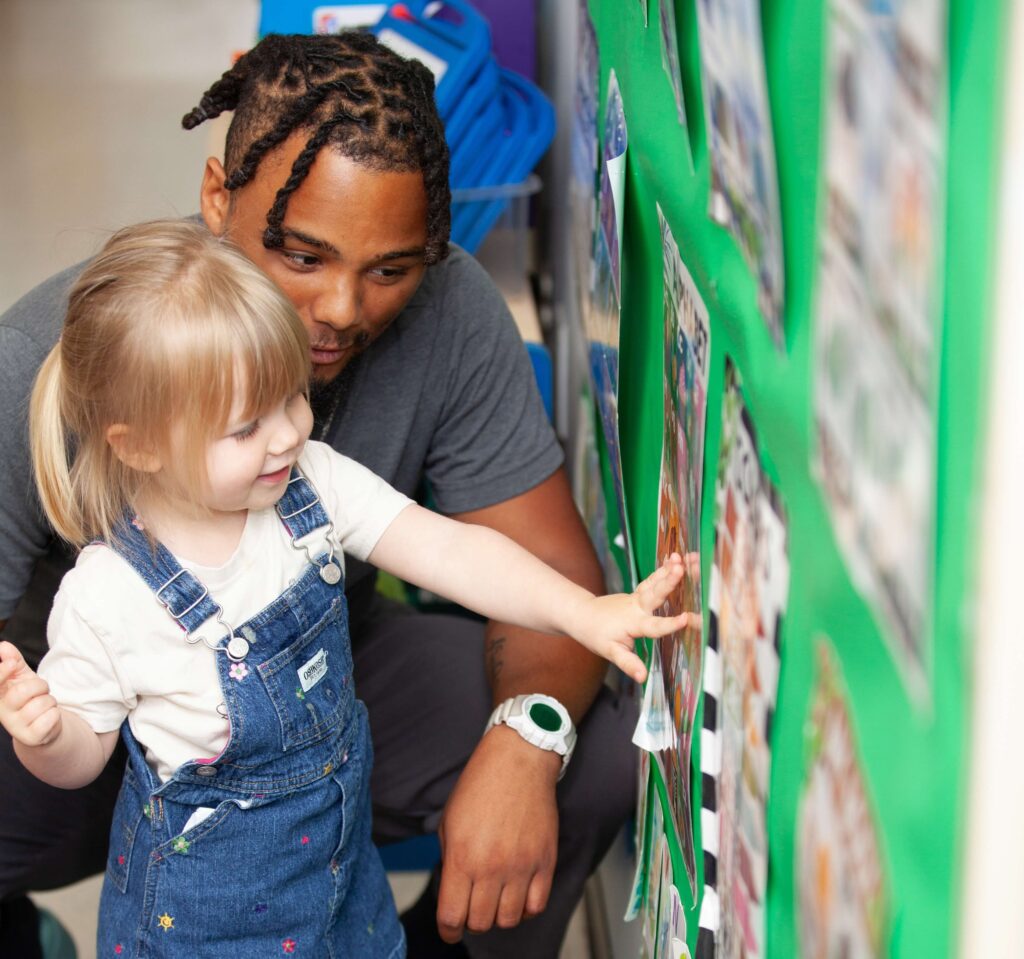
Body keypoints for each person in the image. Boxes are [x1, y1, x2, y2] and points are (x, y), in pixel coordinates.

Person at [0, 31, 636, 959]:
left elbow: (518, 565)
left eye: (390, 268)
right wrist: (45, 724)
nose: (342, 307)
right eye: (302, 256)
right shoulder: (51, 360)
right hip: (71, 722)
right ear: (218, 197)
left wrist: (522, 743)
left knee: (599, 745)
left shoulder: (436, 327)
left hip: (317, 705)